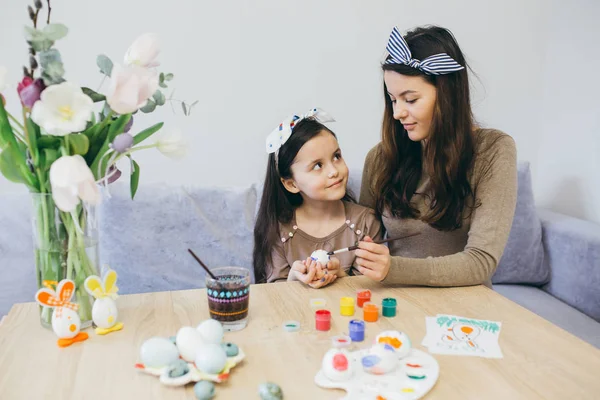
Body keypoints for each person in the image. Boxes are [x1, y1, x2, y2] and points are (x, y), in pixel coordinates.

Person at [357, 26, 517, 288]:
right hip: (393, 303)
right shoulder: (380, 158)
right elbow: (361, 245)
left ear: (446, 94)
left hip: (463, 310)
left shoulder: (494, 150)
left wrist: (393, 268)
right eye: (392, 99)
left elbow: (481, 261)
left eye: (410, 99)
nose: (397, 113)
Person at [253, 108, 382, 286]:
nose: (334, 171)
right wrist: (293, 278)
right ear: (291, 184)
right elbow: (277, 292)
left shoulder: (366, 223)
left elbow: (369, 289)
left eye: (336, 156)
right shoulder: (279, 231)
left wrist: (341, 275)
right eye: (317, 166)